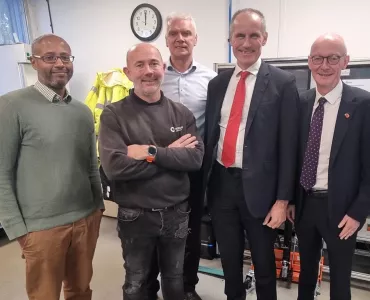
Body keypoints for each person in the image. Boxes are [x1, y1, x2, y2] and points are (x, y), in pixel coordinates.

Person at [202, 8, 300, 300]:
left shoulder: (283, 83)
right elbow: (212, 135)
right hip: (221, 187)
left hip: (261, 193)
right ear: (230, 39)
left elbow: (289, 145)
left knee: (264, 266)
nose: (246, 43)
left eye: (253, 35)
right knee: (230, 264)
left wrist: (283, 200)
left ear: (264, 38)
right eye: (239, 36)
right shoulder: (217, 84)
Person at [0, 34, 104, 300]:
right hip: (41, 229)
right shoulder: (11, 106)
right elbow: (2, 173)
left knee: (80, 291)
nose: (60, 63)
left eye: (65, 57)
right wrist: (18, 231)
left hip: (84, 220)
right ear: (34, 62)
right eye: (49, 57)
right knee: (44, 296)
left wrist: (98, 207)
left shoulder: (82, 111)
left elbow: (91, 165)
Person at [98, 43, 204, 300]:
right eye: (140, 65)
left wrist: (150, 152)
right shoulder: (113, 115)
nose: (148, 71)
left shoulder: (181, 113)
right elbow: (115, 168)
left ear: (163, 68)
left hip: (177, 213)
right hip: (135, 215)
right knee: (136, 282)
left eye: (154, 64)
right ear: (128, 72)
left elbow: (195, 160)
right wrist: (172, 155)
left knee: (175, 280)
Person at [287, 33, 370, 300]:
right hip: (304, 204)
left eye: (333, 58)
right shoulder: (299, 102)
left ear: (345, 61)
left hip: (343, 211)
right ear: (309, 62)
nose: (325, 65)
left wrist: (358, 212)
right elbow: (291, 156)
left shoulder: (363, 105)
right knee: (305, 275)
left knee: (340, 283)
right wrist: (289, 199)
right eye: (318, 58)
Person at [147, 12, 217, 300]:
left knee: (189, 230)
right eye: (174, 33)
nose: (180, 38)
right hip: (156, 166)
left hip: (193, 169)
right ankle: (149, 286)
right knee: (153, 228)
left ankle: (187, 287)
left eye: (186, 33)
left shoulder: (211, 80)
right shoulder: (154, 75)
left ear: (195, 39)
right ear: (166, 40)